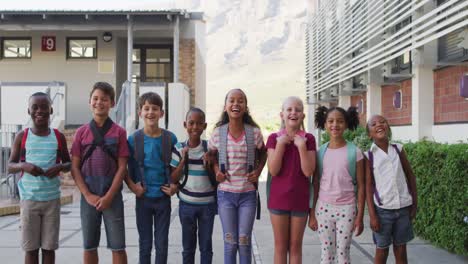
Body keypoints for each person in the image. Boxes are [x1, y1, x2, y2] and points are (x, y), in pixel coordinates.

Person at [8, 92, 71, 264]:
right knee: (31, 249)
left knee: (49, 249)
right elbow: (10, 165)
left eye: (44, 107)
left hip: (52, 201)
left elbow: (69, 163)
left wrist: (59, 167)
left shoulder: (58, 136)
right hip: (29, 201)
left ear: (51, 110)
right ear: (28, 110)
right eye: (35, 107)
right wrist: (24, 166)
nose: (39, 111)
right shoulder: (23, 136)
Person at [70, 82, 128, 264]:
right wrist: (87, 194)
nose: (99, 102)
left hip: (113, 196)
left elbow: (122, 167)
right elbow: (74, 167)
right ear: (90, 102)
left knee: (118, 246)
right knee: (89, 245)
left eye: (104, 99)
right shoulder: (81, 133)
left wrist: (110, 195)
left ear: (111, 103)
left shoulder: (119, 132)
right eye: (95, 98)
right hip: (89, 197)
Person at [209, 88, 267, 264]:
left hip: (247, 195)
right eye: (232, 100)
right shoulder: (218, 133)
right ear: (225, 107)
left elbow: (264, 153)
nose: (236, 104)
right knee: (230, 242)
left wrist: (257, 172)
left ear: (246, 107)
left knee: (244, 241)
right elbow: (211, 155)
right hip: (226, 195)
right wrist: (217, 171)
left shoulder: (254, 132)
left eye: (240, 100)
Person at [125, 92, 178, 264]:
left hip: (163, 198)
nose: (150, 112)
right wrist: (134, 187)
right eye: (146, 108)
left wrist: (175, 186)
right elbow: (125, 168)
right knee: (145, 243)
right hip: (143, 199)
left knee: (162, 243)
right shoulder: (133, 140)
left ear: (162, 113)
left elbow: (177, 168)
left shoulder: (170, 138)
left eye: (155, 109)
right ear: (140, 112)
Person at [309, 106, 365, 264]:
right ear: (325, 124)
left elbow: (361, 186)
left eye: (340, 121)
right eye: (331, 121)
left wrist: (359, 217)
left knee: (343, 254)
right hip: (323, 209)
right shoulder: (320, 152)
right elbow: (316, 183)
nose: (335, 125)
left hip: (347, 210)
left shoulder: (355, 152)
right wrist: (312, 213)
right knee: (326, 255)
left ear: (346, 124)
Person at [266, 96, 316, 264]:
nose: (293, 112)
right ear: (282, 115)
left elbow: (308, 171)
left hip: (299, 201)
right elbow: (273, 170)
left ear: (303, 115)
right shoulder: (274, 138)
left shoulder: (309, 139)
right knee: (280, 247)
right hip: (278, 201)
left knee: (295, 247)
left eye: (298, 109)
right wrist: (281, 145)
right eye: (289, 109)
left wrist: (301, 146)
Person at [365, 115, 417, 264]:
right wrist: (373, 215)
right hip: (383, 211)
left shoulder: (398, 149)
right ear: (369, 133)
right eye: (373, 124)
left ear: (388, 127)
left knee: (401, 249)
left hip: (403, 209)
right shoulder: (369, 156)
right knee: (382, 249)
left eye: (382, 122)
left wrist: (414, 203)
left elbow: (410, 176)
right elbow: (368, 187)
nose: (379, 125)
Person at [170, 107, 217, 264]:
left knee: (206, 247)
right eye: (191, 123)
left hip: (207, 206)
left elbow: (215, 180)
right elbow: (173, 178)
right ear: (185, 124)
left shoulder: (210, 148)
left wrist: (209, 165)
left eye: (199, 123)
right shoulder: (178, 148)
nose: (195, 127)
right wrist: (183, 160)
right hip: (187, 205)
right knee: (188, 248)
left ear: (204, 126)